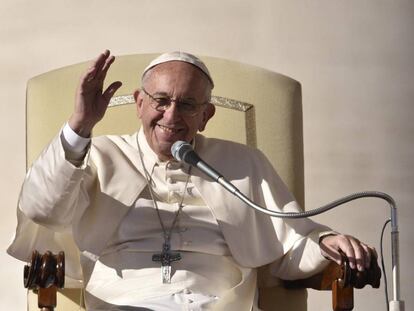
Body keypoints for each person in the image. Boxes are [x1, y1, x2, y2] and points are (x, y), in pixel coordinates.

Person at [8, 50, 375, 310]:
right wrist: (80, 126)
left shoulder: (242, 162)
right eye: (161, 100)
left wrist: (326, 241)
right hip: (121, 304)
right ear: (139, 103)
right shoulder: (99, 154)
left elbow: (289, 245)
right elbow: (43, 209)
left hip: (219, 305)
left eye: (187, 104)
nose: (171, 114)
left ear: (206, 114)